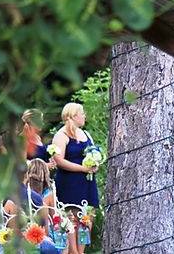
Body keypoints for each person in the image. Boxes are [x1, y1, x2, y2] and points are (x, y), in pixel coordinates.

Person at [52, 103, 98, 254]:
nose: (84, 116)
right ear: (73, 116)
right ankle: (73, 251)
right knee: (71, 219)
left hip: (87, 183)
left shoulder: (86, 134)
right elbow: (59, 160)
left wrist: (95, 164)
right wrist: (82, 168)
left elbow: (92, 153)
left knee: (87, 219)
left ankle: (81, 250)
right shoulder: (61, 135)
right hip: (69, 183)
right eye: (82, 113)